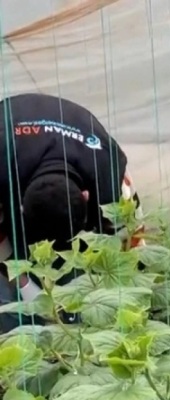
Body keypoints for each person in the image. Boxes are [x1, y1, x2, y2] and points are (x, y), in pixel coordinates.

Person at [0, 93, 143, 332]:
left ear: (87, 197)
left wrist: (114, 304)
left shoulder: (109, 176)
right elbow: (4, 256)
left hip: (76, 127)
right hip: (10, 127)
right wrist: (29, 291)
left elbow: (134, 243)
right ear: (19, 207)